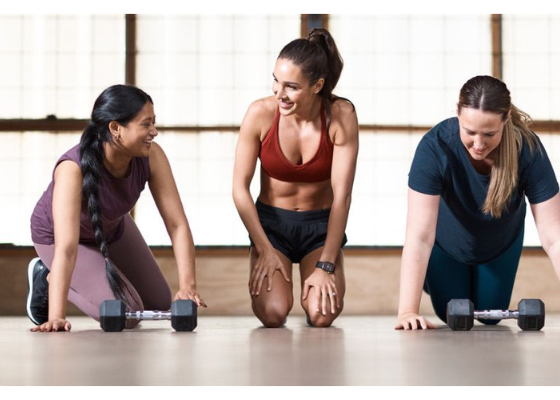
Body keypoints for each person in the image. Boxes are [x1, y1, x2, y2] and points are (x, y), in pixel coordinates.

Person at [395, 75, 560, 331]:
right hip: (446, 245)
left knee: (489, 316)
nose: (478, 144)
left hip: (499, 245)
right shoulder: (434, 147)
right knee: (450, 312)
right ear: (457, 113)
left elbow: (555, 238)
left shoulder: (528, 150)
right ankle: (429, 278)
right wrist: (407, 311)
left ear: (506, 118)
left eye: (489, 134)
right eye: (470, 132)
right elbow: (419, 236)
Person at [27, 84, 206, 332]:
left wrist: (187, 285)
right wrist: (56, 316)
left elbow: (177, 225)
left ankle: (88, 273)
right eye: (145, 124)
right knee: (127, 315)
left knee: (160, 301)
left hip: (111, 226)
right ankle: (46, 276)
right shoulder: (72, 169)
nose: (154, 131)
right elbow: (67, 249)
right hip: (60, 240)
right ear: (115, 128)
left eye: (154, 122)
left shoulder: (152, 157)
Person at [232, 28, 359, 328]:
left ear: (317, 85)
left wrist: (327, 264)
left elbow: (342, 196)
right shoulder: (260, 113)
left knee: (321, 314)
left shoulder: (341, 115)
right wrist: (263, 247)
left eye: (291, 86)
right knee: (273, 313)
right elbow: (239, 188)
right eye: (275, 80)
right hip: (271, 228)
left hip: (320, 227)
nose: (279, 93)